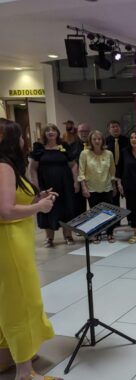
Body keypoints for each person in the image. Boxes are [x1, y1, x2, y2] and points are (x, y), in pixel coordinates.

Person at [0, 118, 62, 380]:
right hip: (10, 244)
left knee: (12, 301)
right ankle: (25, 373)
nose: (26, 140)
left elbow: (13, 201)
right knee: (22, 303)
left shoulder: (8, 166)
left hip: (16, 242)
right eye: (21, 136)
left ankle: (13, 355)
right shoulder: (4, 167)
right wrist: (39, 207)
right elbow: (5, 211)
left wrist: (36, 198)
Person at [28, 123, 77, 247]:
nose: (51, 132)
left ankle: (68, 236)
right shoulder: (39, 148)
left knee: (67, 208)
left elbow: (73, 165)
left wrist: (76, 181)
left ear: (57, 133)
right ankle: (49, 239)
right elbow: (32, 168)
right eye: (48, 130)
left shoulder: (64, 146)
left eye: (53, 130)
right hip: (46, 185)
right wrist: (35, 185)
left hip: (65, 184)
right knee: (47, 209)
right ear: (44, 133)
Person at [78, 130, 117, 243]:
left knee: (109, 212)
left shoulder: (109, 153)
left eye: (99, 139)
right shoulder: (84, 153)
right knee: (95, 213)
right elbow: (81, 172)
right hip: (92, 188)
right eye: (94, 139)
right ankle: (96, 234)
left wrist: (114, 186)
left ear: (102, 140)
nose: (97, 141)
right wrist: (84, 187)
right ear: (90, 140)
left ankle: (110, 233)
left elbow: (112, 171)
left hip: (107, 187)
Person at [105, 120, 129, 220]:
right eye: (113, 127)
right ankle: (115, 221)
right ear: (109, 129)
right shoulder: (105, 141)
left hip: (125, 172)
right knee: (113, 198)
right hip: (111, 173)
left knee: (129, 196)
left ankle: (131, 219)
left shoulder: (127, 140)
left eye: (117, 126)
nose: (115, 128)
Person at [70, 123, 91, 217]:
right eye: (81, 131)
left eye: (86, 131)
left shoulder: (96, 144)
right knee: (79, 208)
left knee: (96, 206)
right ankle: (81, 229)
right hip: (79, 180)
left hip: (93, 181)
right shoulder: (71, 147)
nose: (84, 133)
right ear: (77, 132)